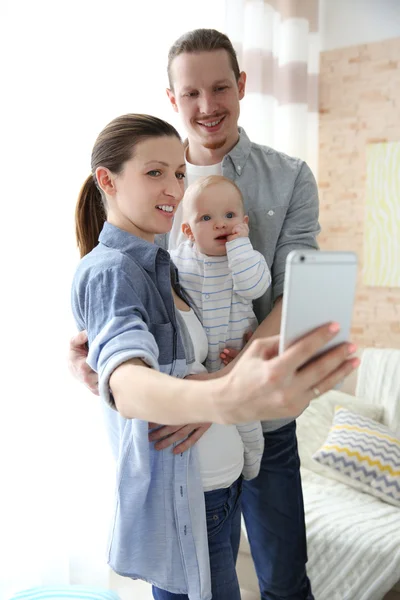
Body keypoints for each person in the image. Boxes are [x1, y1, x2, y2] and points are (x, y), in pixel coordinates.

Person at [68, 30, 359, 600]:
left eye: (221, 87)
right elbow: (118, 299)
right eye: (191, 92)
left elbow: (291, 295)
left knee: (282, 577)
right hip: (184, 441)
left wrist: (223, 388)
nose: (207, 106)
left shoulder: (287, 177)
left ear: (242, 85)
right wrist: (95, 351)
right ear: (172, 99)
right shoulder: (152, 200)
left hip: (259, 418)